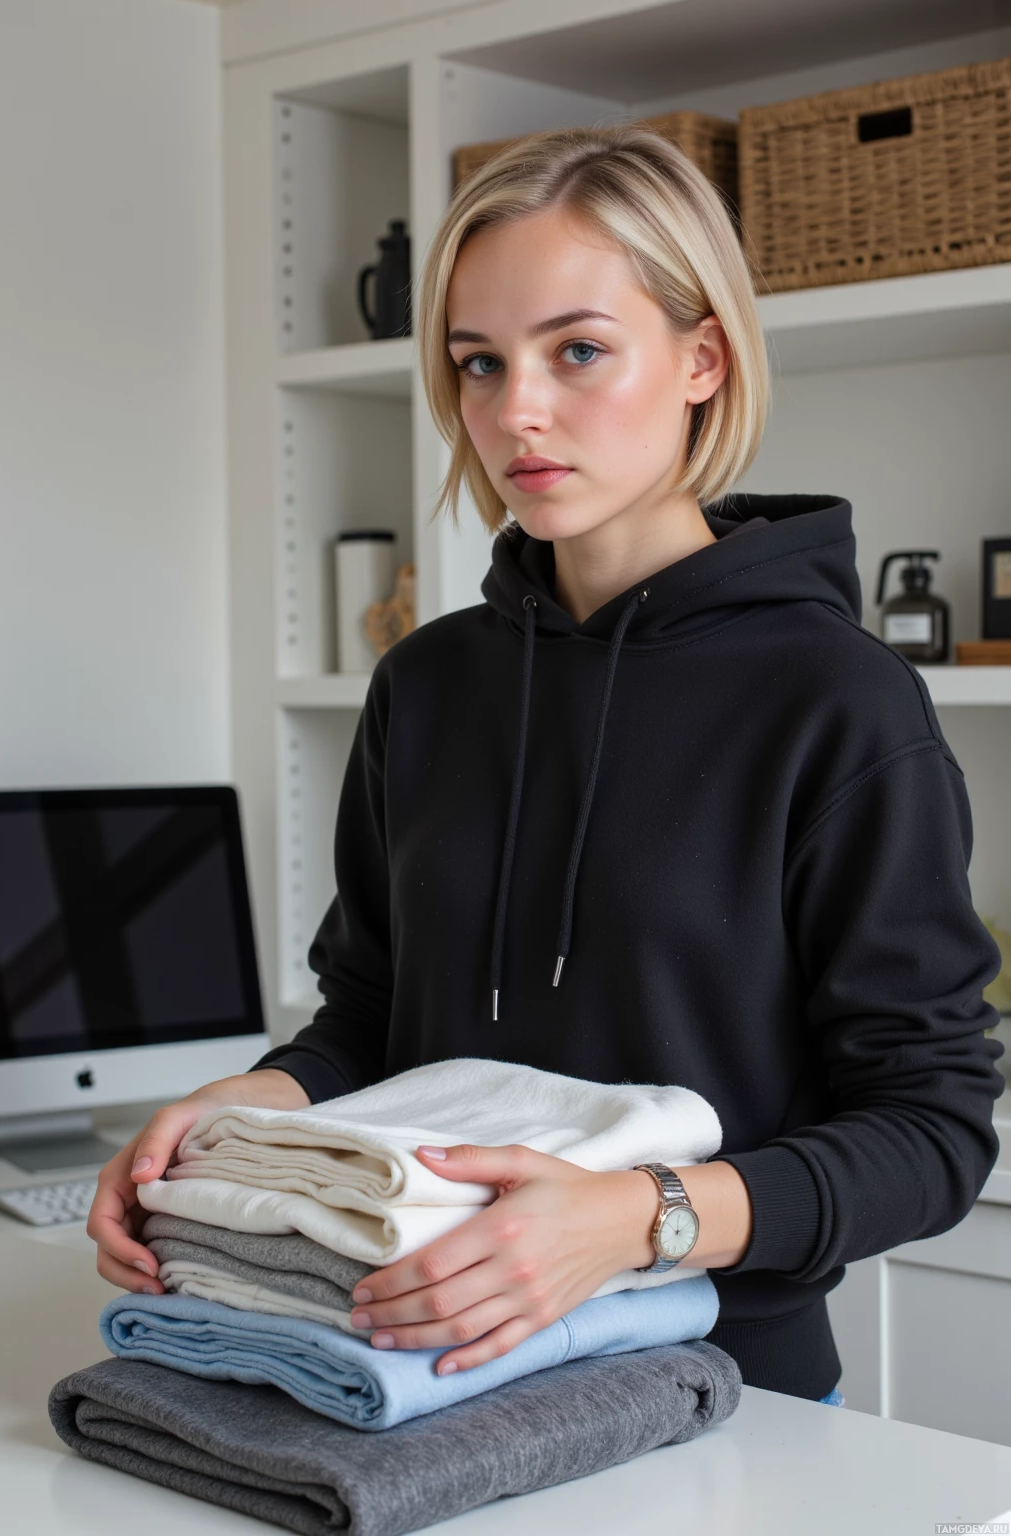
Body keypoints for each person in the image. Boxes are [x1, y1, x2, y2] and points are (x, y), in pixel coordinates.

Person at [87, 125, 1006, 1404]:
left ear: (701, 359)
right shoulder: (427, 683)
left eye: (577, 350)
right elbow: (369, 1017)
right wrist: (250, 1105)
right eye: (478, 362)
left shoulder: (840, 702)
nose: (514, 410)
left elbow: (930, 1130)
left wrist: (637, 1218)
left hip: (721, 1395)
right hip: (403, 1370)